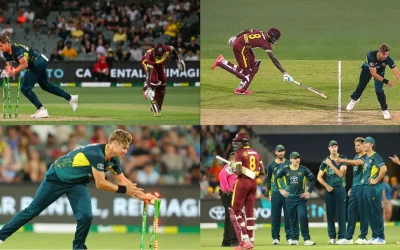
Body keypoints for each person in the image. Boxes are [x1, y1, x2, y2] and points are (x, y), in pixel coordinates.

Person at [0, 129, 157, 249]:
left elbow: (125, 182)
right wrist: (125, 190)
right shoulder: (96, 153)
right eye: (124, 147)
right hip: (57, 177)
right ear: (114, 143)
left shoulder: (114, 160)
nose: (126, 151)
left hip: (76, 182)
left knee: (86, 216)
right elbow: (100, 183)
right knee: (31, 211)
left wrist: (143, 196)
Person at [0, 35, 78, 118]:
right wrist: (8, 71)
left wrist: (14, 71)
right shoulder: (5, 52)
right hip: (38, 62)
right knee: (46, 86)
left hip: (37, 62)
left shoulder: (16, 49)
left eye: (1, 46)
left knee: (25, 88)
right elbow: (9, 64)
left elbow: (24, 64)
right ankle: (71, 98)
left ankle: (41, 110)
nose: (0, 48)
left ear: (7, 43)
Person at [211, 28, 294, 95]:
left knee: (252, 66)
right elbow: (274, 59)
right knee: (245, 73)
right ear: (272, 36)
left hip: (244, 46)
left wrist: (236, 37)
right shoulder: (265, 44)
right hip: (240, 47)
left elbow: (245, 31)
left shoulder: (261, 32)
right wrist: (284, 73)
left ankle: (241, 89)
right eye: (275, 39)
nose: (275, 41)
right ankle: (221, 62)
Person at [229, 132, 265, 250]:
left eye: (238, 141)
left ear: (243, 142)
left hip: (243, 182)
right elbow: (262, 172)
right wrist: (252, 173)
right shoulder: (256, 152)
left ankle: (244, 240)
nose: (236, 143)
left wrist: (233, 168)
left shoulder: (239, 153)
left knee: (235, 211)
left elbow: (238, 171)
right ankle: (251, 241)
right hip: (253, 183)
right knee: (249, 211)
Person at [346, 43, 400, 120]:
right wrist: (386, 81)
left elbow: (396, 72)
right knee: (361, 85)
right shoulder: (370, 56)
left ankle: (384, 110)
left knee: (379, 91)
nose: (385, 56)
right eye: (383, 54)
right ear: (379, 51)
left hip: (380, 72)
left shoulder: (388, 58)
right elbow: (373, 74)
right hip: (367, 70)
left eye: (387, 54)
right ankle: (355, 99)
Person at [275, 152, 316, 246]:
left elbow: (313, 179)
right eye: (295, 158)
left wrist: (309, 192)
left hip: (301, 198)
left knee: (303, 216)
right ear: (291, 159)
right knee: (292, 219)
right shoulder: (285, 170)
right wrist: (281, 190)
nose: (297, 159)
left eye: (298, 158)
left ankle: (307, 239)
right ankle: (294, 238)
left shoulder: (304, 169)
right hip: (289, 198)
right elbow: (276, 178)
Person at [336, 137, 369, 244]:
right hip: (355, 188)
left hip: (363, 187)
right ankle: (349, 237)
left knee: (363, 212)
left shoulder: (366, 157)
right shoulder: (356, 156)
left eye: (358, 145)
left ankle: (363, 237)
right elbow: (356, 175)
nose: (356, 147)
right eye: (355, 145)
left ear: (364, 146)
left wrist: (342, 160)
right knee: (351, 212)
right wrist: (351, 187)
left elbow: (356, 163)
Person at [141, 43, 185, 117]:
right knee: (154, 81)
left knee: (162, 87)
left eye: (160, 55)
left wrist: (178, 60)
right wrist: (148, 87)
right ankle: (146, 86)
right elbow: (149, 73)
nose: (159, 57)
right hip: (147, 62)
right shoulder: (150, 56)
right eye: (157, 56)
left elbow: (173, 49)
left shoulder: (167, 49)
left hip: (161, 64)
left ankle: (155, 108)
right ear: (154, 52)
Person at [317, 140, 347, 244]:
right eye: (332, 146)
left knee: (341, 214)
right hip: (330, 190)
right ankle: (332, 237)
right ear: (329, 148)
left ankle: (342, 236)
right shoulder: (325, 161)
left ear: (337, 148)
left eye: (335, 146)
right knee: (330, 214)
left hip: (340, 188)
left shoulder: (342, 158)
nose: (334, 148)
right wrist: (326, 186)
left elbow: (341, 174)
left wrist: (331, 165)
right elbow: (319, 177)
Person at [359, 137, 387, 244]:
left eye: (365, 143)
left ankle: (381, 237)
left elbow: (384, 169)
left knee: (376, 212)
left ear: (371, 145)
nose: (364, 145)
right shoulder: (366, 157)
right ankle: (375, 236)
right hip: (366, 187)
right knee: (369, 213)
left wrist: (376, 180)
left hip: (374, 188)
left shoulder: (376, 156)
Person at [265, 144, 291, 245]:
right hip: (276, 193)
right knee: (275, 217)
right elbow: (269, 181)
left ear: (284, 151)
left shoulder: (289, 163)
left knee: (288, 216)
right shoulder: (271, 165)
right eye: (279, 151)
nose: (281, 153)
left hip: (287, 193)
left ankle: (289, 237)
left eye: (282, 151)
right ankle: (275, 238)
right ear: (275, 152)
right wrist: (270, 193)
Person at [218, 152, 238, 247]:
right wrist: (227, 190)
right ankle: (226, 241)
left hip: (234, 194)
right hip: (229, 194)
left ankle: (234, 240)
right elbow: (221, 175)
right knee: (230, 217)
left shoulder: (236, 168)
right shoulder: (229, 167)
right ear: (232, 159)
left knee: (235, 218)